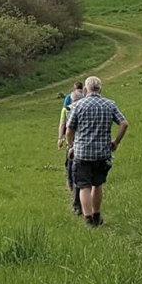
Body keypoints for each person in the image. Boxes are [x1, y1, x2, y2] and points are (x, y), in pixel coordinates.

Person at [65, 76, 129, 227]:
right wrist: (116, 142)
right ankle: (96, 215)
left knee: (84, 186)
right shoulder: (110, 104)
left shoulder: (78, 105)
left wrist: (71, 146)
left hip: (82, 153)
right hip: (102, 153)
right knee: (97, 184)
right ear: (100, 88)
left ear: (86, 89)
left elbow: (69, 131)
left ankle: (88, 219)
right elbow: (124, 124)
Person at [57, 81, 87, 215]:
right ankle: (80, 204)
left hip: (74, 143)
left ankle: (77, 203)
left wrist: (62, 139)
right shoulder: (86, 109)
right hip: (84, 143)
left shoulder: (67, 109)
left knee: (72, 167)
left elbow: (64, 126)